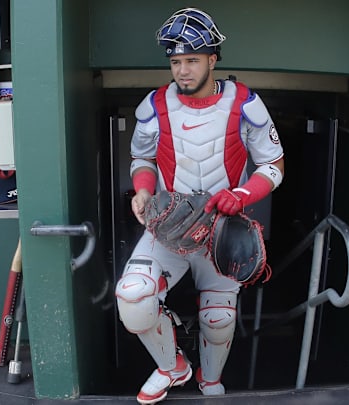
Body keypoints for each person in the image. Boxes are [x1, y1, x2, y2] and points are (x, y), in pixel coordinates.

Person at [114, 7, 285, 404]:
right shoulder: (154, 106)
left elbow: (274, 166)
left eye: (192, 60)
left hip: (223, 228)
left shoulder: (245, 103)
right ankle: (172, 367)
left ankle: (211, 381)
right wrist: (142, 190)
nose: (183, 70)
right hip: (169, 226)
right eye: (176, 62)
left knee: (219, 320)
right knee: (134, 299)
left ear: (212, 59)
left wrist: (242, 195)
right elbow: (143, 160)